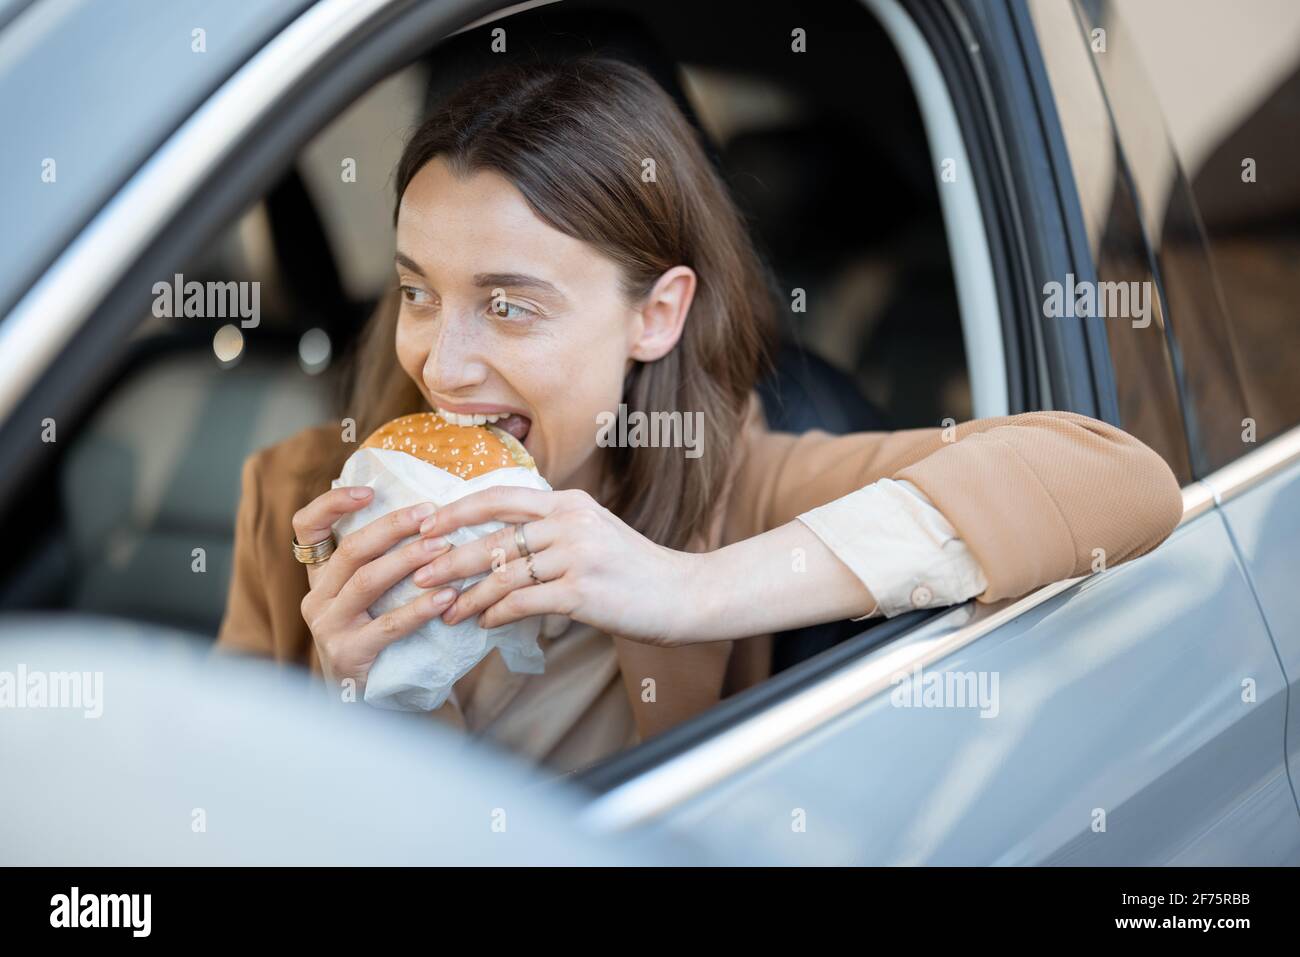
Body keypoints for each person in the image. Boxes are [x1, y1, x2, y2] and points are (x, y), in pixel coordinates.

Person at [216, 57, 1184, 774]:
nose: (442, 361)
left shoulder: (740, 485)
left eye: (508, 304)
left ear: (656, 313)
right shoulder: (297, 508)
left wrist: (682, 589)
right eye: (417, 292)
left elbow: (1118, 479)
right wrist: (361, 711)